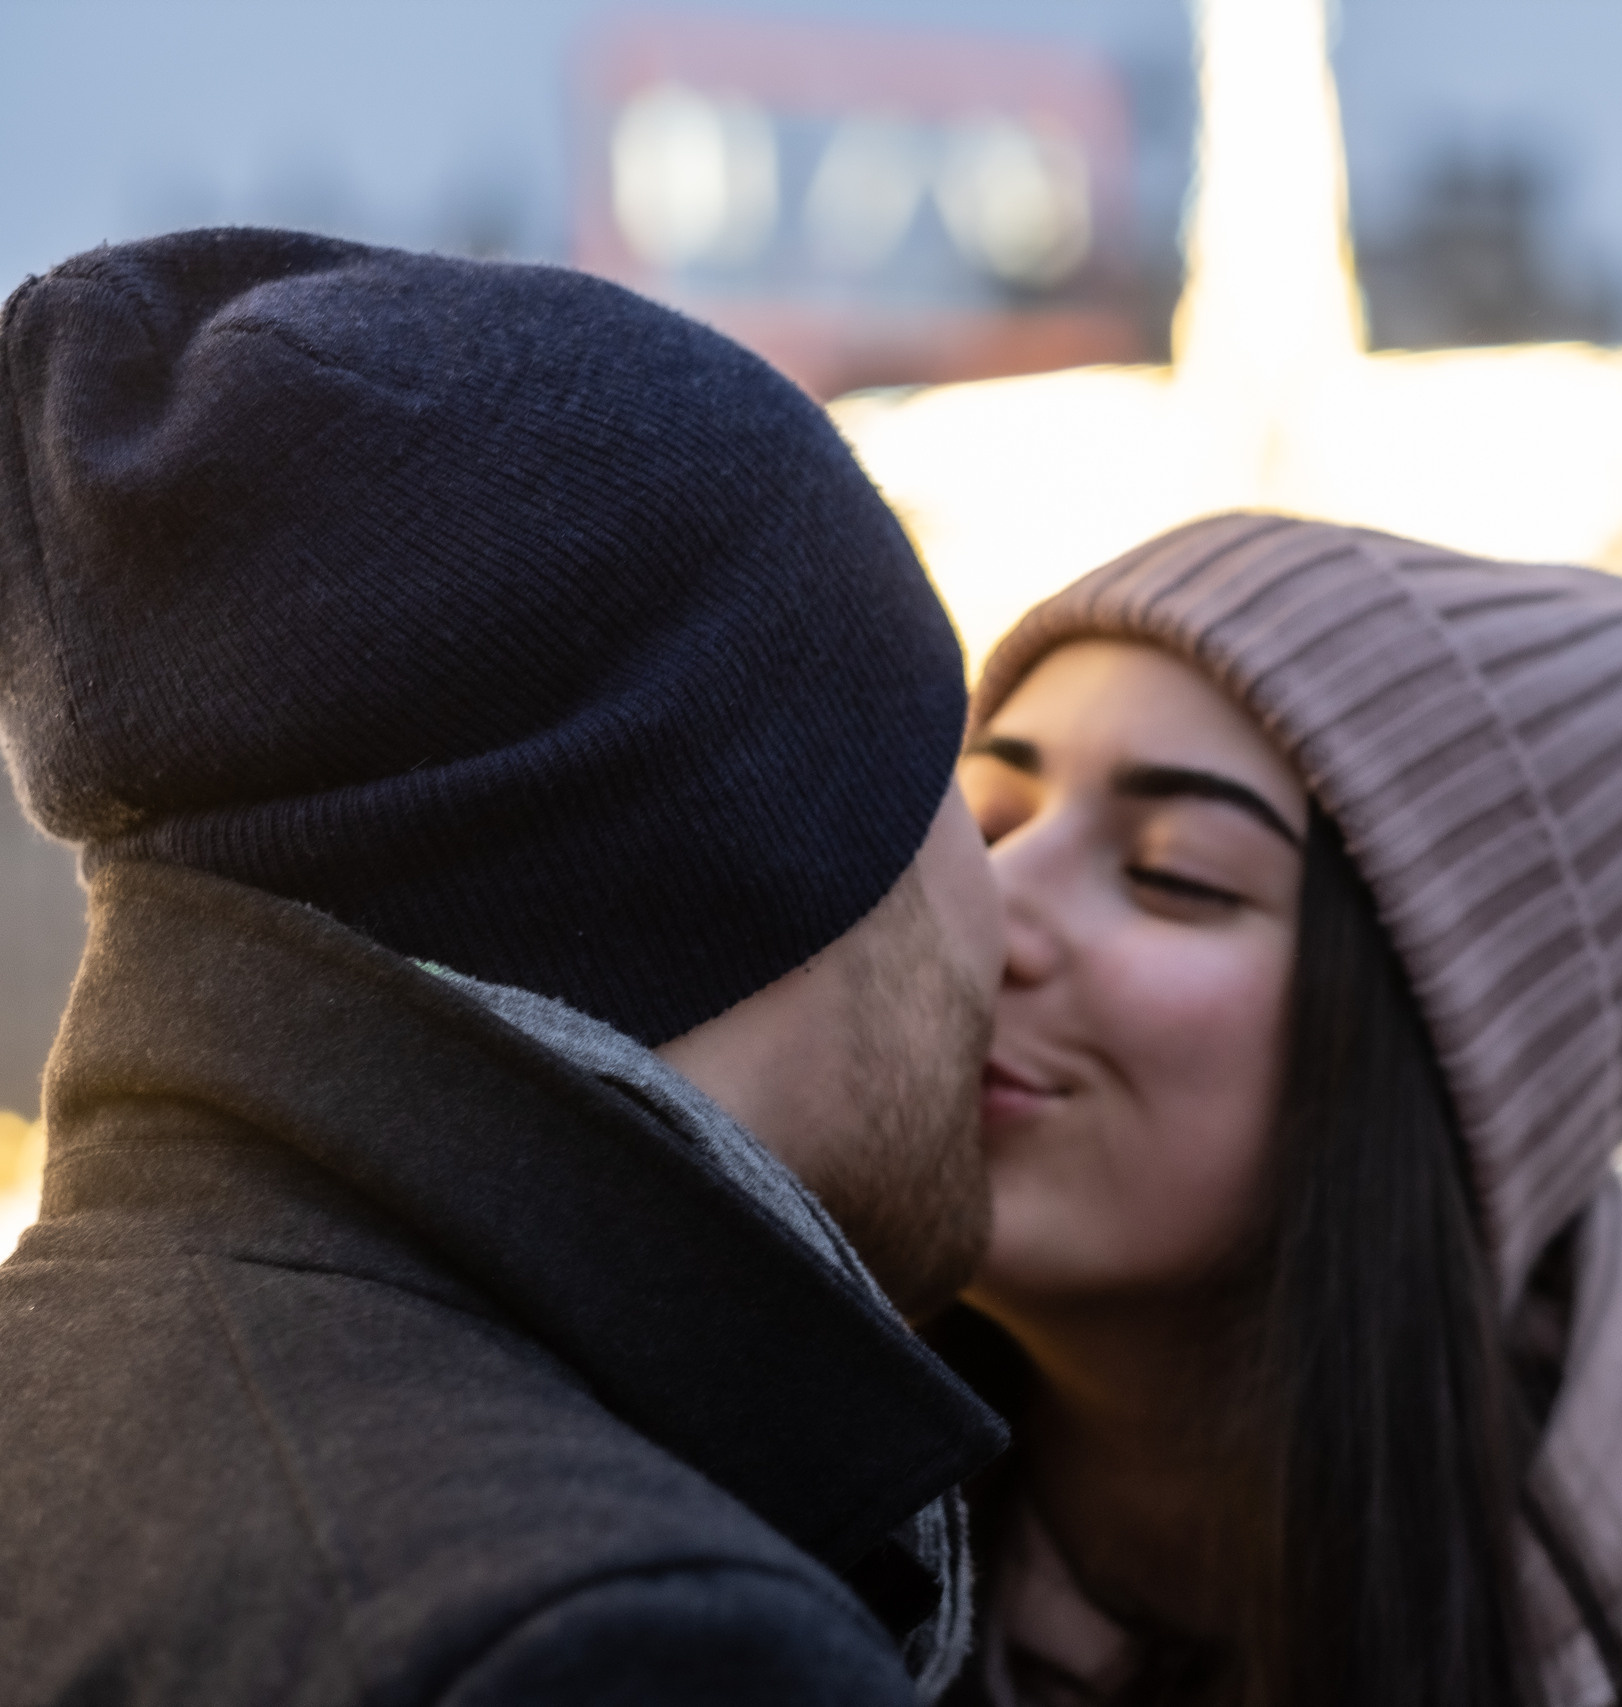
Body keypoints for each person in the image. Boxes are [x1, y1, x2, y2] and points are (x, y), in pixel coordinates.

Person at [0, 230, 1006, 1704]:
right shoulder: (618, 1641)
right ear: (764, 843)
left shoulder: (81, 1384)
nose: (1013, 908)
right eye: (957, 767)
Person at [936, 512, 1622, 1705]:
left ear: (1453, 1067)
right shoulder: (786, 1563)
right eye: (984, 821)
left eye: (1172, 872)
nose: (986, 910)